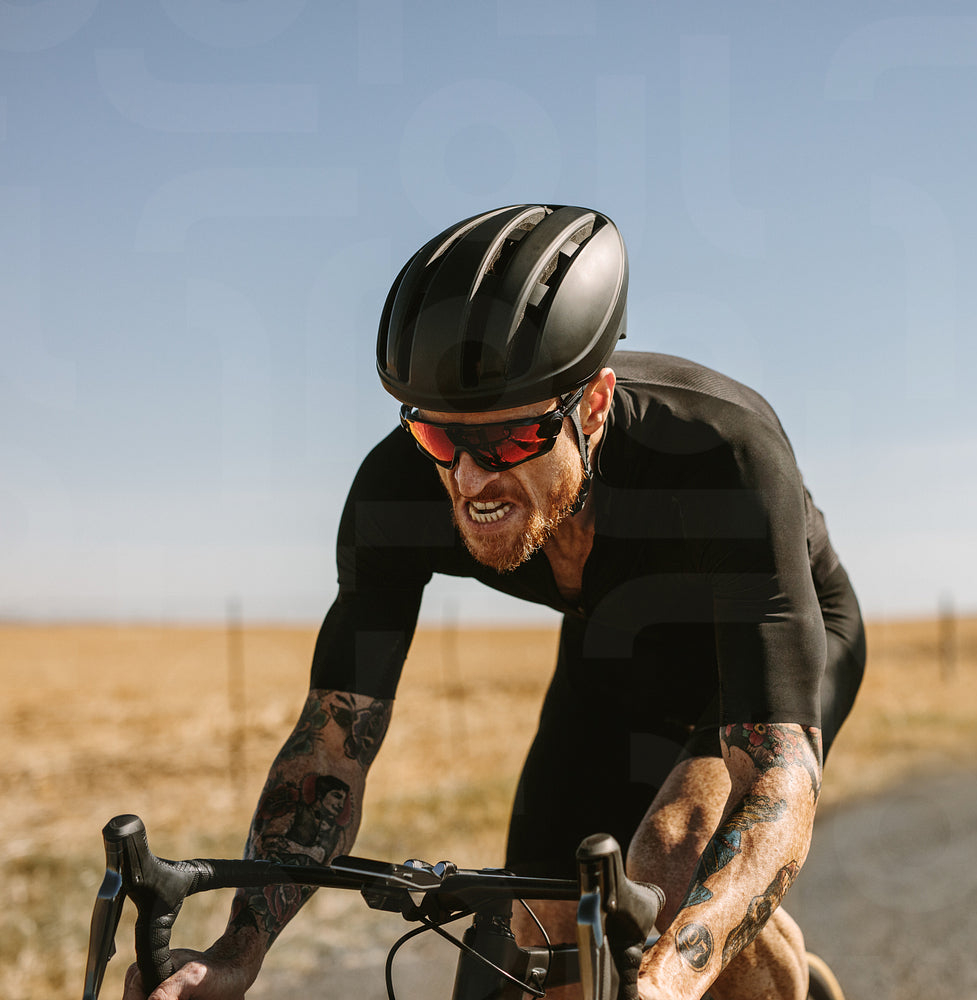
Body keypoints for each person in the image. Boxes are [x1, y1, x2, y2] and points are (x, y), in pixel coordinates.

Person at [124, 204, 864, 1000]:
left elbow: (776, 779)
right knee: (540, 925)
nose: (470, 480)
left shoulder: (721, 456)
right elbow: (329, 753)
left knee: (671, 862)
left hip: (765, 650)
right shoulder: (399, 490)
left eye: (508, 441)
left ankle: (781, 980)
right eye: (440, 439)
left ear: (594, 405)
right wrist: (235, 953)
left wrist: (669, 980)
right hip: (610, 650)